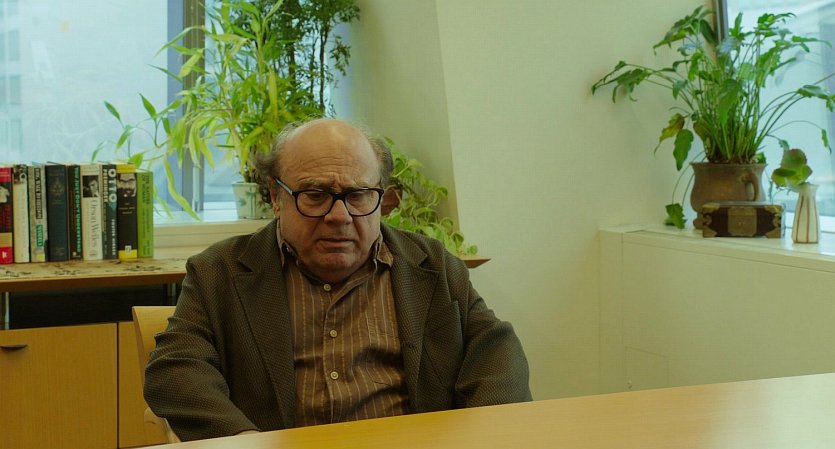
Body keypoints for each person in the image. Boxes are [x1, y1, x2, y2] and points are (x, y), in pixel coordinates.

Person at [144, 118, 531, 442]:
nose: (339, 216)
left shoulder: (431, 266)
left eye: (358, 195)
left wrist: (479, 435)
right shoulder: (220, 272)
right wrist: (245, 441)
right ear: (276, 197)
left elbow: (497, 353)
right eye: (315, 195)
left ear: (381, 199)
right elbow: (176, 370)